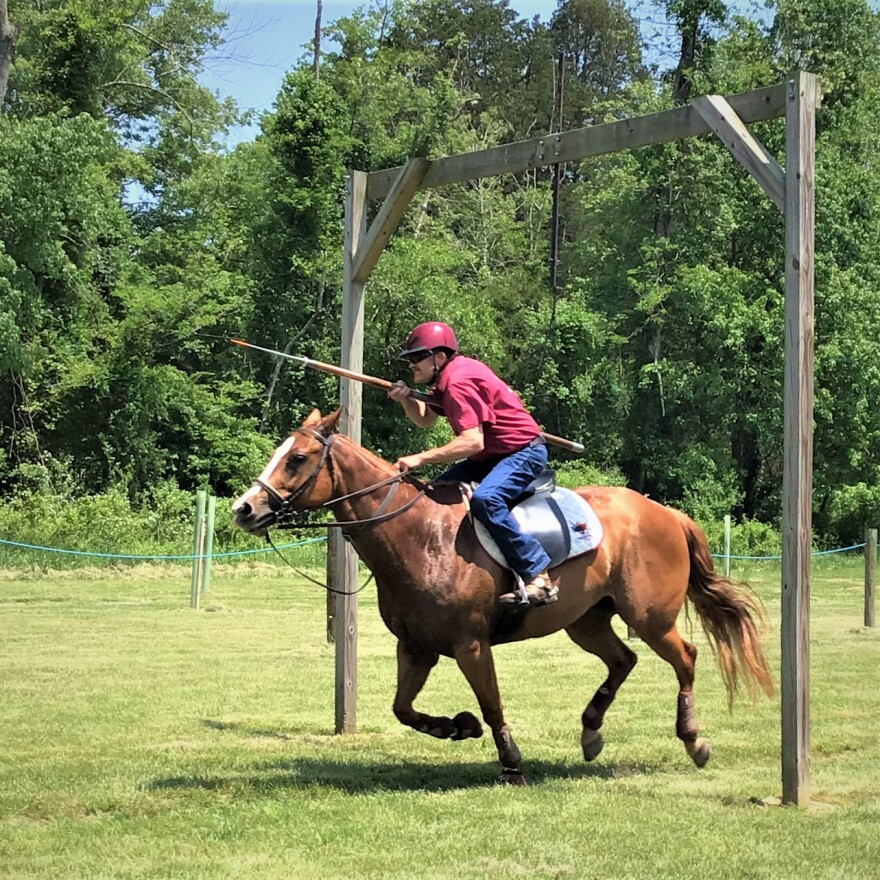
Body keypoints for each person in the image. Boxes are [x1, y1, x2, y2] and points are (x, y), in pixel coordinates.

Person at [388, 321, 558, 606]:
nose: (412, 365)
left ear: (439, 357)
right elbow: (425, 420)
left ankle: (538, 573)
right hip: (491, 455)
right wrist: (406, 400)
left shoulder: (458, 383)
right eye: (410, 359)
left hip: (521, 452)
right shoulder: (447, 378)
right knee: (436, 491)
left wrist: (420, 457)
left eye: (417, 357)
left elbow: (472, 442)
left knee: (486, 500)